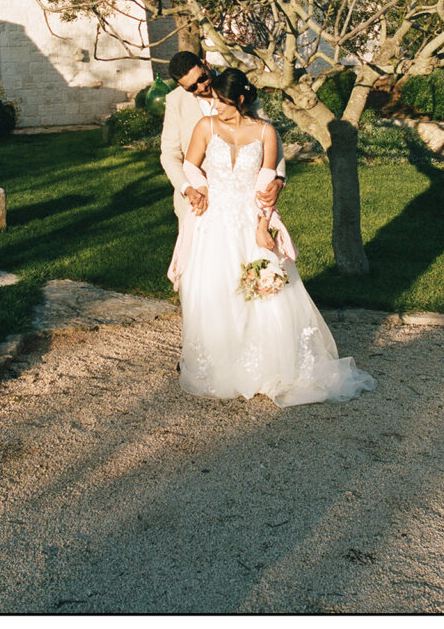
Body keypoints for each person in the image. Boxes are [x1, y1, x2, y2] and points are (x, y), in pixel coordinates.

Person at [167, 67, 376, 408]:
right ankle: (221, 361)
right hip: (213, 218)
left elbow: (267, 183)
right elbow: (190, 165)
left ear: (240, 99)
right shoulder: (205, 126)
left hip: (250, 218)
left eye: (221, 101)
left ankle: (264, 363)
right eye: (212, 100)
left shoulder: (266, 131)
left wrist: (263, 226)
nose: (214, 106)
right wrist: (197, 190)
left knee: (263, 292)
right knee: (213, 288)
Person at [160, 51, 286, 228]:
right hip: (198, 203)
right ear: (182, 87)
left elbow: (270, 135)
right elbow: (169, 154)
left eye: (202, 78)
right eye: (192, 88)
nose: (202, 87)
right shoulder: (175, 101)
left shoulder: (234, 84)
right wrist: (187, 188)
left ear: (206, 64)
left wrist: (279, 178)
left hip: (245, 202)